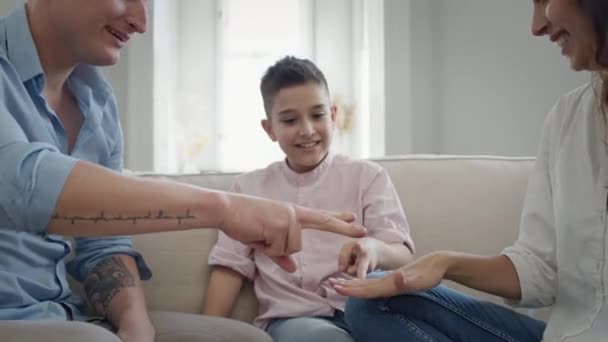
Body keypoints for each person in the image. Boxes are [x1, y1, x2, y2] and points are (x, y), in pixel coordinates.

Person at [0, 1, 366, 341]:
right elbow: (26, 186)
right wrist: (225, 208)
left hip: (66, 313)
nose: (141, 22)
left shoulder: (98, 102)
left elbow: (103, 243)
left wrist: (135, 323)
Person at [331, 0, 608, 341]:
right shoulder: (567, 117)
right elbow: (540, 269)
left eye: (545, 1)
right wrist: (446, 263)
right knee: (373, 300)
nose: (537, 25)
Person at [202, 56, 414, 342]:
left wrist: (374, 250)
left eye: (317, 115)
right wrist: (204, 332)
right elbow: (229, 268)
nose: (307, 130)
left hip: (368, 310)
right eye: (290, 120)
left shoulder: (368, 176)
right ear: (270, 129)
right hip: (296, 320)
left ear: (333, 115)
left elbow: (402, 253)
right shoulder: (248, 188)